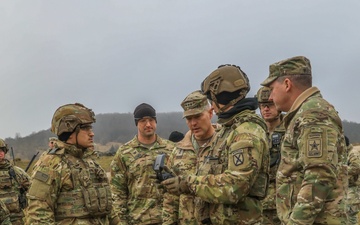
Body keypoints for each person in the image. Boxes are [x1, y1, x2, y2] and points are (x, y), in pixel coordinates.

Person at [162, 64, 269, 225]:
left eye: (213, 99)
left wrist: (188, 184)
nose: (212, 105)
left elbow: (235, 186)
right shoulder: (229, 130)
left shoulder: (245, 132)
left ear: (221, 98)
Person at [261, 56, 348, 224]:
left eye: (272, 89)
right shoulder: (304, 114)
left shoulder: (313, 114)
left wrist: (296, 222)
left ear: (287, 84)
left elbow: (319, 176)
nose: (270, 97)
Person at [24, 103, 120, 224]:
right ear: (69, 130)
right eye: (85, 128)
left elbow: (109, 210)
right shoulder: (51, 164)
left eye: (91, 128)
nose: (92, 133)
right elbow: (38, 212)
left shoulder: (91, 163)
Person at [110, 103, 175, 225]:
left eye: (151, 120)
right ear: (136, 123)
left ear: (156, 121)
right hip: (137, 219)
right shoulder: (124, 153)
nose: (148, 124)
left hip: (167, 219)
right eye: (143, 121)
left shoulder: (172, 149)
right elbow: (117, 192)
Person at [162, 90, 217, 225]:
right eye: (188, 119)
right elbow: (170, 195)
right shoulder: (179, 151)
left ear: (210, 113)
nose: (193, 123)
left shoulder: (224, 143)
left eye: (197, 116)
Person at [256, 87, 285, 225]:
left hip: (284, 199)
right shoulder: (255, 131)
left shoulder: (291, 129)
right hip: (260, 201)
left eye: (270, 104)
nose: (266, 109)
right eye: (262, 105)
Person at [0, 138, 30, 225]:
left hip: (16, 218)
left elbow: (33, 191)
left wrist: (24, 187)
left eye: (2, 150)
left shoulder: (16, 171)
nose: (0, 153)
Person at [345, 136, 360, 224]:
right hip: (349, 187)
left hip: (354, 188)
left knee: (351, 214)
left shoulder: (353, 153)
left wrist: (342, 169)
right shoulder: (346, 153)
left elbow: (356, 168)